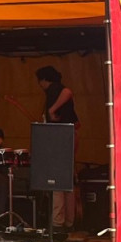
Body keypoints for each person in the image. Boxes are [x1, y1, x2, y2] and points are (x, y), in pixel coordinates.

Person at [32, 66, 79, 229]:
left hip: (59, 139)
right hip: (67, 137)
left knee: (57, 181)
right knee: (68, 182)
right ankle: (69, 221)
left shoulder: (55, 90)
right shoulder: (55, 92)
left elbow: (68, 92)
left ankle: (57, 222)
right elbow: (77, 122)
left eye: (40, 81)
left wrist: (52, 110)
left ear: (44, 80)